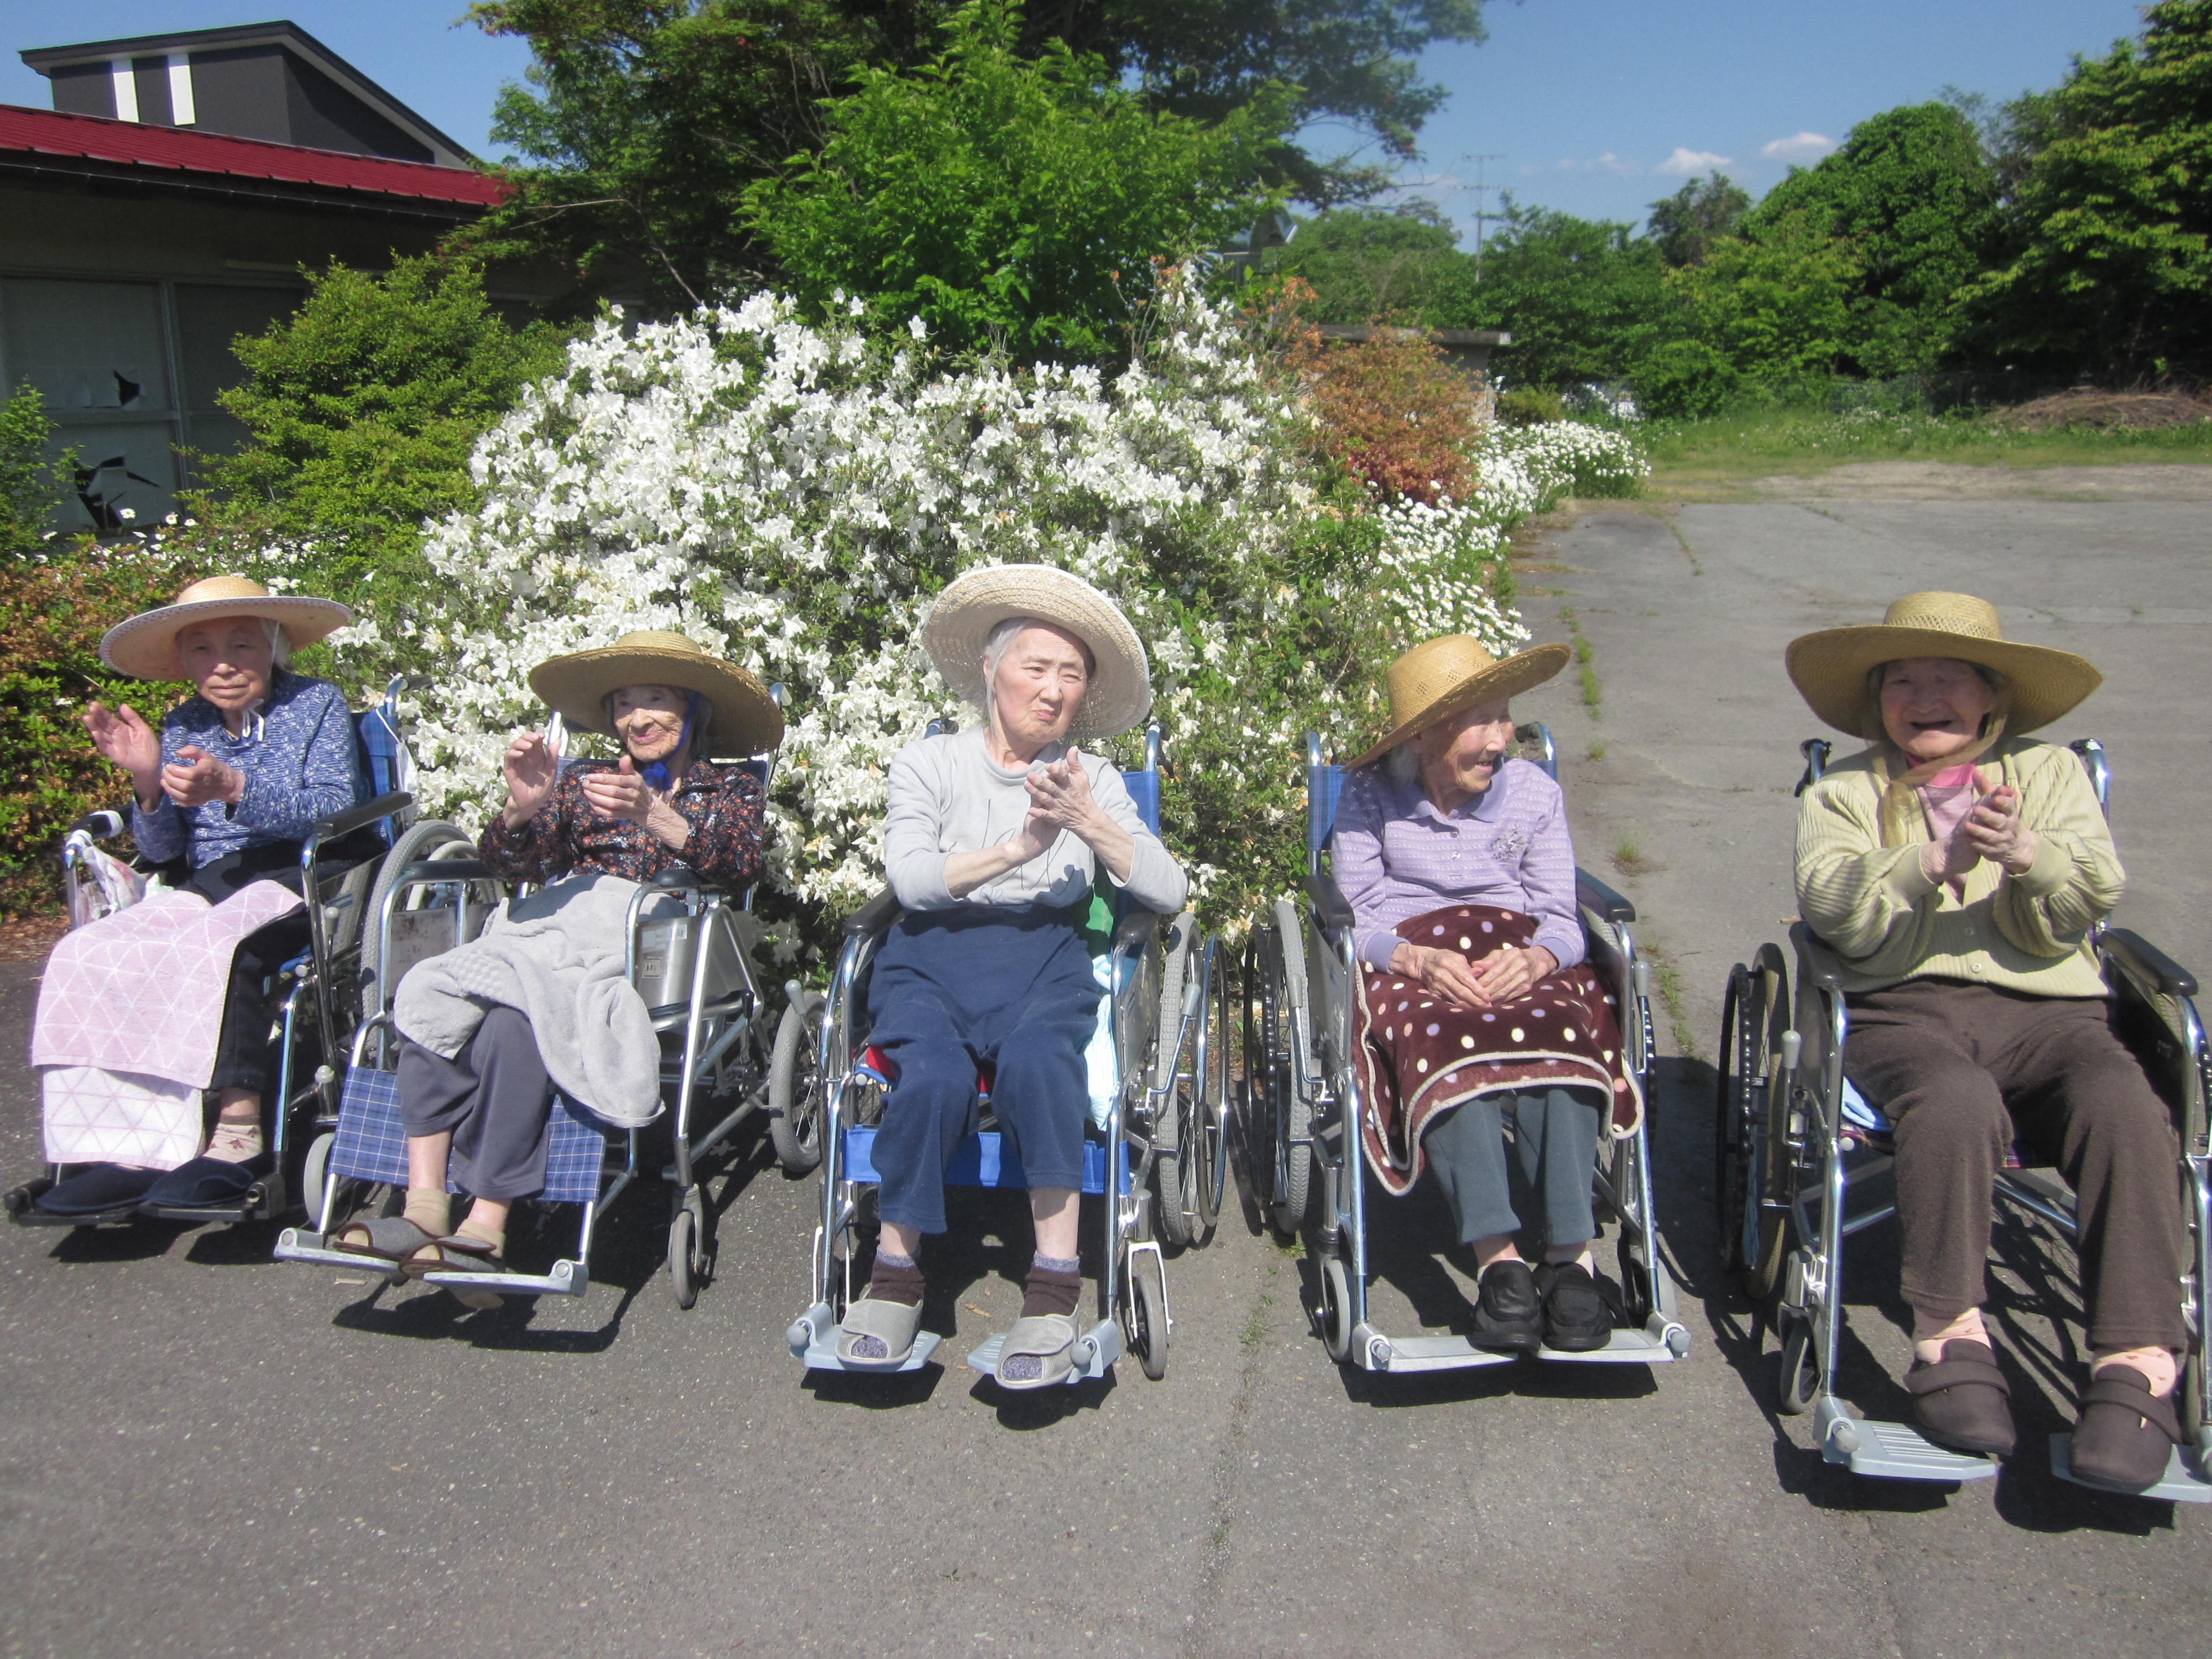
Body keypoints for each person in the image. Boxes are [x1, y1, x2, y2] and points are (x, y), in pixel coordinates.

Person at [1790, 591, 2184, 1486]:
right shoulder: (1845, 791)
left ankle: (2138, 1358)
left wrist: (2028, 857)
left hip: (2050, 1014)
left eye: (1949, 677)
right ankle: (1949, 1336)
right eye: (1903, 680)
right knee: (1953, 1103)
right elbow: (1831, 911)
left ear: (1993, 697)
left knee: (2125, 1104)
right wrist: (1929, 863)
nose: (1925, 695)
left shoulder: (2046, 776)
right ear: (1878, 699)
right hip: (1903, 1011)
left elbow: (2087, 903)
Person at [330, 631, 778, 1293]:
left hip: (647, 938)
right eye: (624, 703)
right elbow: (516, 868)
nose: (638, 717)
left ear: (692, 709)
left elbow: (739, 868)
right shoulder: (580, 779)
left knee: (517, 1021)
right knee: (432, 988)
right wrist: (524, 809)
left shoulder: (729, 787)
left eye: (655, 699)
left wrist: (658, 817)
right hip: (551, 924)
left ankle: (487, 1217)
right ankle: (423, 1201)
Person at [834, 565, 1187, 1385]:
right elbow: (913, 883)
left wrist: (1090, 823)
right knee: (929, 1080)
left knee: (1042, 1068)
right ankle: (894, 1278)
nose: (1055, 688)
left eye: (1073, 674)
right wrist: (1017, 852)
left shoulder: (1093, 779)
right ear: (992, 672)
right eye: (1037, 666)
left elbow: (1168, 892)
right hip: (929, 958)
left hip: (1044, 959)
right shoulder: (927, 765)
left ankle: (1055, 1283)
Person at [1335, 633, 1643, 1354]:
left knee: (1565, 1034)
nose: (1504, 739)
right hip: (1414, 959)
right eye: (1484, 722)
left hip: (1518, 947)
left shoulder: (1534, 794)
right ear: (1425, 735)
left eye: (1506, 718)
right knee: (1439, 1040)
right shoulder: (1368, 794)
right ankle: (1500, 1262)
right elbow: (1352, 918)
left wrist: (1539, 958)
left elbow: (1562, 915)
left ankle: (1570, 1258)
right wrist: (1408, 956)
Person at [34, 576, 366, 1217]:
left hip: (306, 867)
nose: (222, 663)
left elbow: (335, 808)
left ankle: (238, 1133)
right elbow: (161, 852)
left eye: (241, 644)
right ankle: (123, 1143)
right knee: (95, 950)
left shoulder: (316, 703)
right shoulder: (184, 719)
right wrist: (145, 782)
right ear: (182, 661)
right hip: (213, 877)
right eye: (201, 649)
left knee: (225, 946)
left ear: (272, 643)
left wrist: (234, 786)